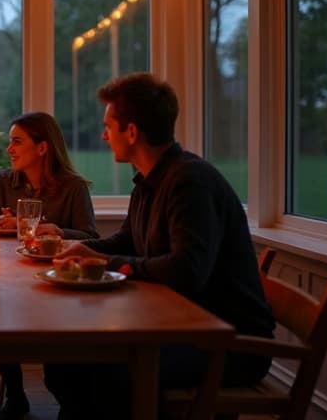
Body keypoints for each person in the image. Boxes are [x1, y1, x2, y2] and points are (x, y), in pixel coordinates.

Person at [42, 72, 275, 419]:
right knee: (64, 364)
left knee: (105, 375)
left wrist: (107, 264)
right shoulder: (149, 180)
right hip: (181, 326)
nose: (104, 135)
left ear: (132, 132)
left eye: (109, 126)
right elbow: (127, 240)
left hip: (226, 344)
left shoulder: (189, 182)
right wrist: (84, 251)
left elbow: (187, 271)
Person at [0, 111, 97, 420]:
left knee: (56, 358)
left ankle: (70, 401)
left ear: (42, 148)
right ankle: (16, 397)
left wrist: (57, 230)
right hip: (11, 273)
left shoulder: (73, 187)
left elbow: (91, 237)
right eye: (9, 142)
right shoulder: (4, 181)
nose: (9, 149)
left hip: (57, 277)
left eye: (17, 142)